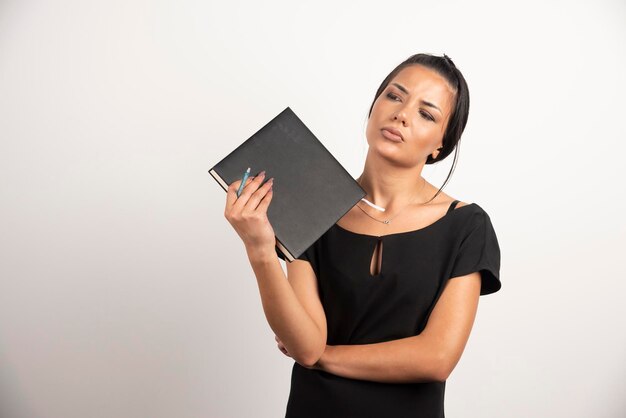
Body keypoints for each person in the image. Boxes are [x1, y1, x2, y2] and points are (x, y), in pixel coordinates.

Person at [224, 52, 501, 418]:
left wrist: (326, 357)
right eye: (394, 96)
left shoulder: (467, 225)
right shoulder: (315, 209)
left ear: (440, 144)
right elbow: (305, 345)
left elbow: (436, 357)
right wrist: (260, 250)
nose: (401, 113)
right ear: (373, 107)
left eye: (426, 113)